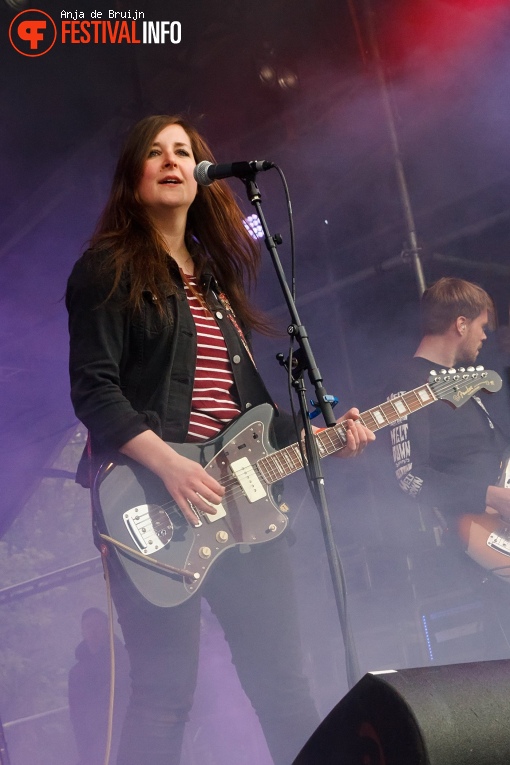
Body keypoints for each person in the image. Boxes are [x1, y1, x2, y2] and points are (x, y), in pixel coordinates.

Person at [66, 114, 375, 765]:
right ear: (134, 176)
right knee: (163, 695)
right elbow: (94, 392)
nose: (173, 160)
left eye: (184, 150)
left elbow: (253, 412)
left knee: (285, 682)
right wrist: (172, 466)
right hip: (154, 500)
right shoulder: (108, 267)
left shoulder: (212, 281)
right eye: (156, 152)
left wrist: (327, 438)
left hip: (243, 508)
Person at [387, 277, 510, 583]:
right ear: (461, 324)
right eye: (482, 327)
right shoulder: (407, 383)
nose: (484, 336)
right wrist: (492, 496)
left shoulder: (457, 379)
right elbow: (410, 477)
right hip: (479, 524)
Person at [68, 608, 130, 765]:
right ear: (82, 631)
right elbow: (77, 719)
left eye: (97, 625)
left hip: (128, 735)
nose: (93, 630)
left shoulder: (124, 660)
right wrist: (85, 753)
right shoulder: (76, 674)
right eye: (88, 626)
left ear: (107, 627)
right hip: (96, 745)